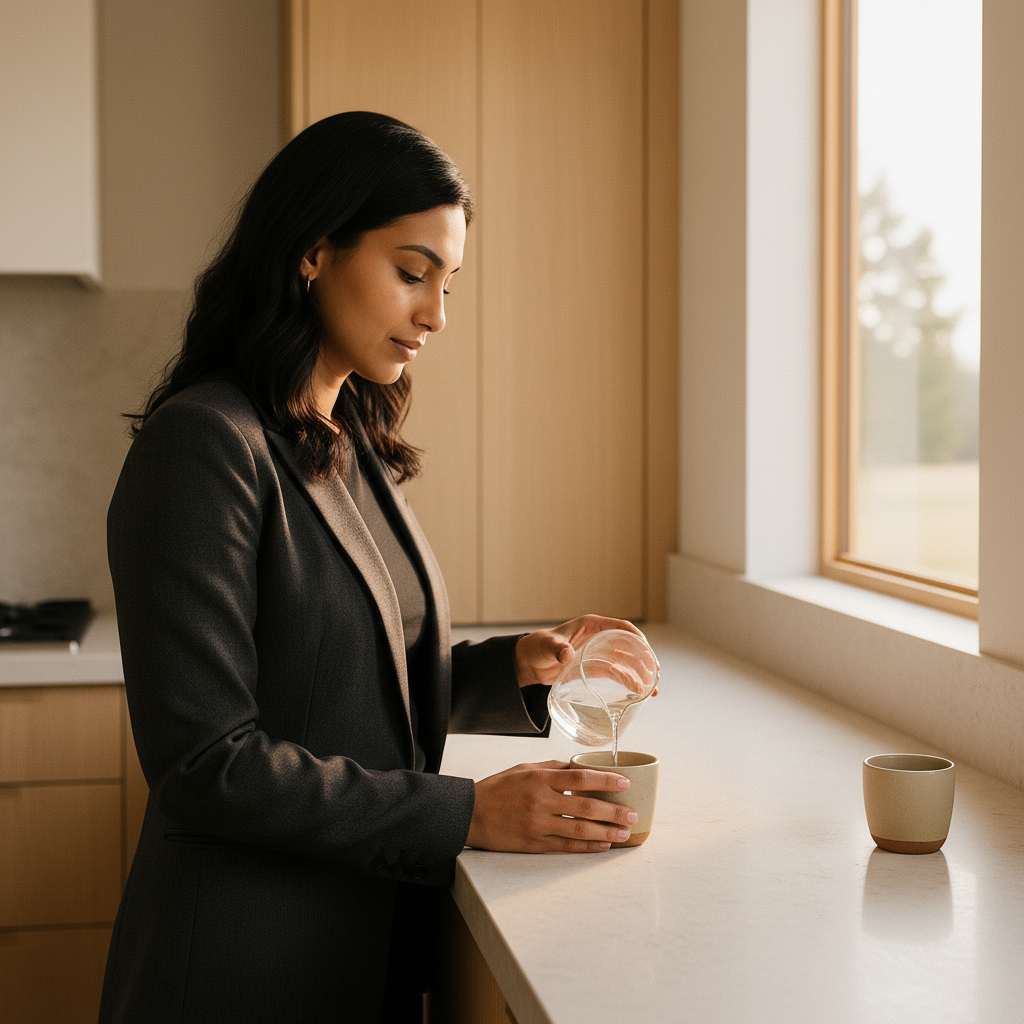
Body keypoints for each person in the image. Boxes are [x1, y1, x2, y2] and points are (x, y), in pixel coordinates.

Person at [99, 111, 643, 1024]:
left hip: (358, 948)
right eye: (411, 272)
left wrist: (515, 668)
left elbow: (344, 680)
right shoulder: (203, 444)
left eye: (448, 280)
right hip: (242, 970)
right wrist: (464, 813)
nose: (436, 314)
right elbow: (204, 762)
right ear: (313, 252)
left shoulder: (344, 437)